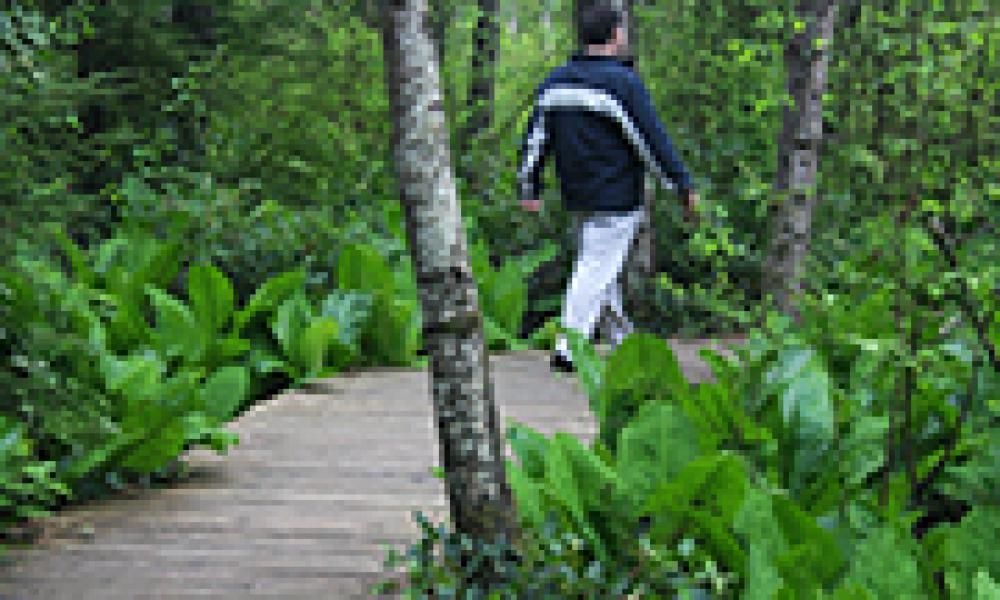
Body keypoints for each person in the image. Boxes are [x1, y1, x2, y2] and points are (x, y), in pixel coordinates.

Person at [517, 4, 699, 373]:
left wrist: (529, 187)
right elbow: (650, 139)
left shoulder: (555, 83)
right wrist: (681, 184)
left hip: (578, 196)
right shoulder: (622, 84)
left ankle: (622, 343)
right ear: (616, 34)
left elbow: (535, 141)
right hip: (616, 198)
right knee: (596, 268)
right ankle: (569, 349)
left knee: (602, 268)